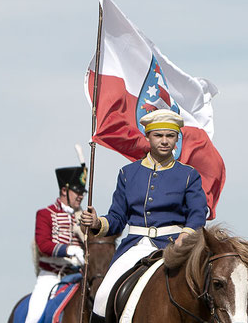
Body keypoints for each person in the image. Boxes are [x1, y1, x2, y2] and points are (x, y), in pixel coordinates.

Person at [80, 109, 208, 323]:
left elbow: (197, 214)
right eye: (158, 135)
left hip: (174, 247)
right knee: (102, 295)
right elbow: (117, 217)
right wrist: (97, 223)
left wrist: (185, 236)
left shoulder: (189, 175)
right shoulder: (127, 174)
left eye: (171, 135)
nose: (165, 141)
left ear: (177, 138)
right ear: (147, 136)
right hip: (135, 247)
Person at [24, 165, 89, 323]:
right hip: (52, 276)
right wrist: (69, 249)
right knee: (33, 318)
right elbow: (43, 244)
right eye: (77, 191)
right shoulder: (45, 214)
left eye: (82, 192)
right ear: (64, 191)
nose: (80, 196)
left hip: (78, 277)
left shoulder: (83, 217)